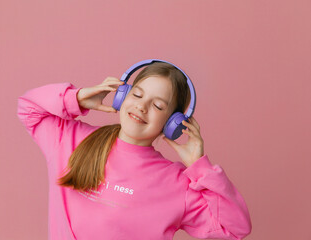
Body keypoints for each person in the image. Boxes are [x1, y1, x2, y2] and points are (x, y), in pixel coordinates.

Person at [17, 62, 252, 240]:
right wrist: (75, 98)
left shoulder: (178, 184)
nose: (142, 106)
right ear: (121, 95)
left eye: (158, 105)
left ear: (173, 123)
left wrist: (201, 168)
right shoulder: (71, 140)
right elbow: (28, 108)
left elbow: (234, 228)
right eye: (137, 94)